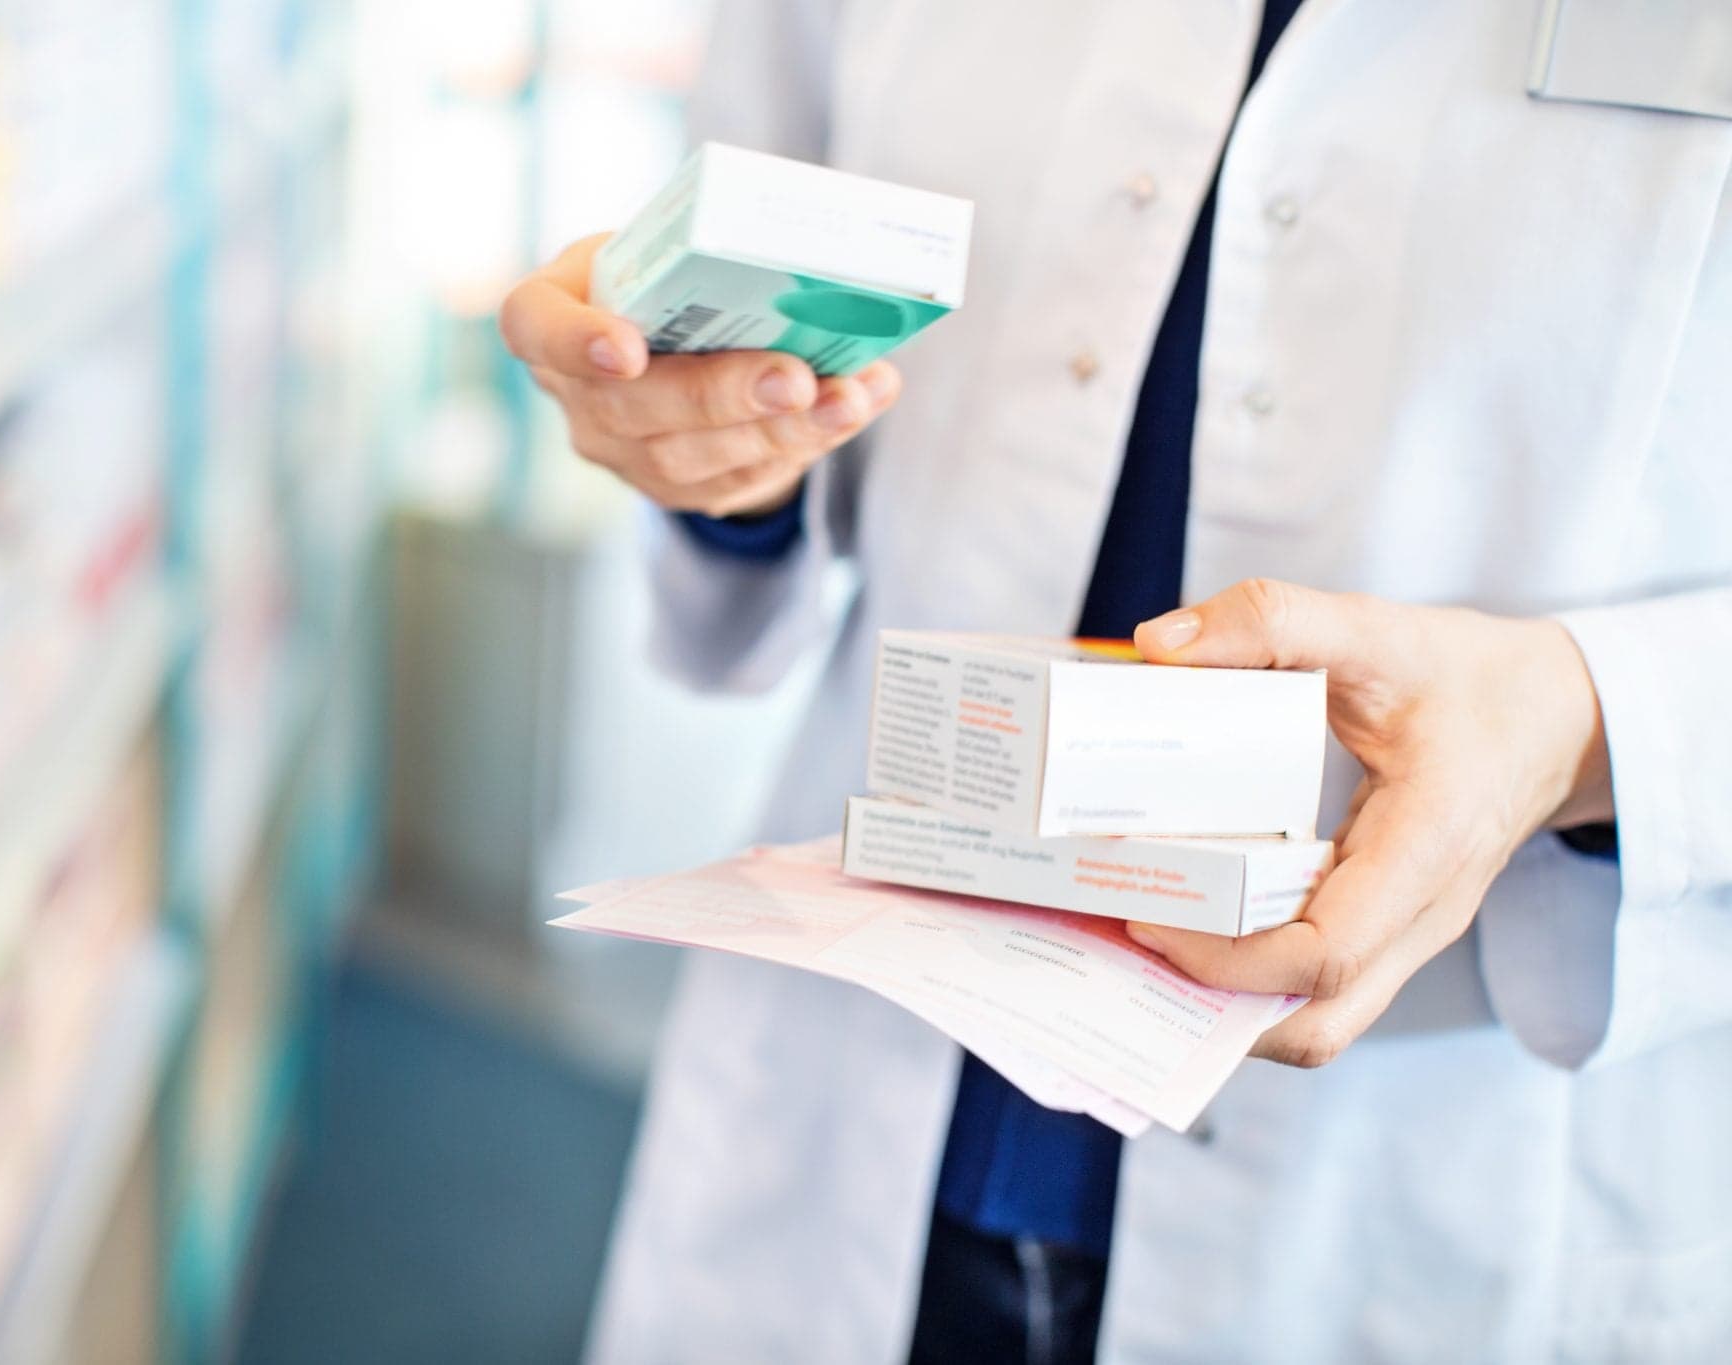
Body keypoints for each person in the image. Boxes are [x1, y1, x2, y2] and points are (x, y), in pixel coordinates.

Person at [498, 1, 1732, 1360]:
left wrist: (1593, 724)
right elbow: (761, 325)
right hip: (865, 1084)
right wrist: (708, 448)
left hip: (1442, 1154)